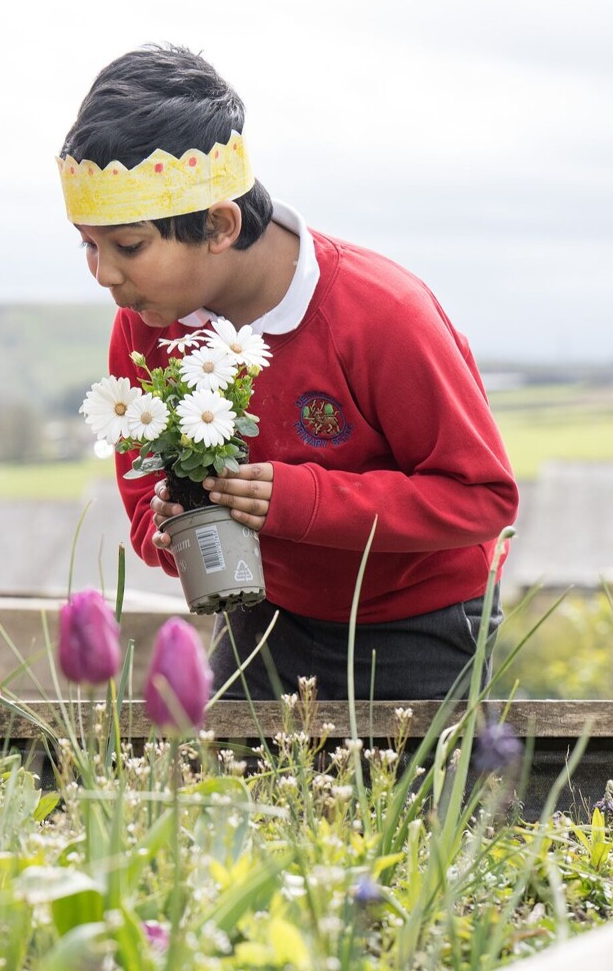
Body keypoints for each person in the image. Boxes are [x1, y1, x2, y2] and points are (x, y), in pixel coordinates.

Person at [58, 45, 517, 700]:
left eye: (128, 246)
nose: (105, 275)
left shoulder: (381, 313)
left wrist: (299, 502)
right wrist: (175, 524)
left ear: (219, 224)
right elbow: (144, 520)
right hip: (263, 620)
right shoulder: (147, 324)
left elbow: (484, 499)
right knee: (220, 799)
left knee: (415, 807)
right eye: (88, 244)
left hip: (422, 626)